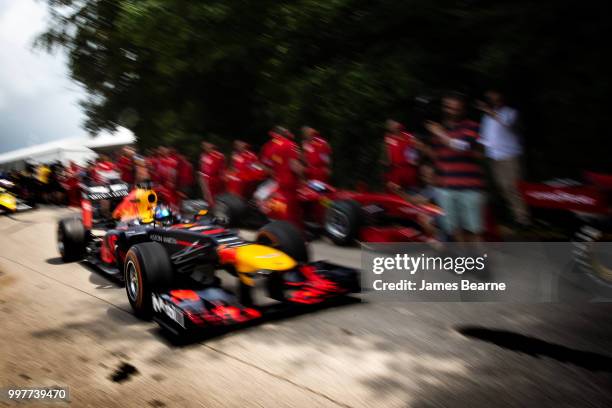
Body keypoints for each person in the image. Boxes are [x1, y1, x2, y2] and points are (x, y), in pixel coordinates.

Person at [419, 92, 486, 242]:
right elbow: (437, 157)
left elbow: (464, 147)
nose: (451, 111)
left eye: (456, 108)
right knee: (455, 231)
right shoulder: (437, 130)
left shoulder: (471, 126)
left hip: (470, 187)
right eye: (448, 107)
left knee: (474, 231)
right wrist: (423, 147)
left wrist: (441, 134)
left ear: (462, 109)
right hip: (446, 188)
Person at [477, 89, 530, 227]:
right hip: (493, 156)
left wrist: (490, 112)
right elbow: (484, 138)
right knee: (502, 188)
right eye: (488, 95)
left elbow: (509, 126)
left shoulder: (510, 112)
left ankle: (523, 218)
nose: (490, 97)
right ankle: (515, 215)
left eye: (493, 94)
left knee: (512, 187)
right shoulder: (486, 117)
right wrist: (481, 152)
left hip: (509, 155)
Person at [260, 126, 304, 228]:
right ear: (285, 133)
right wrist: (303, 178)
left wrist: (276, 175)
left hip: (279, 183)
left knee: (276, 206)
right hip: (291, 184)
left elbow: (266, 167)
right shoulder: (291, 144)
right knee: (291, 212)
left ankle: (274, 227)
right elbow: (295, 166)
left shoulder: (269, 146)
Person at [383, 120, 419, 192]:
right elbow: (388, 157)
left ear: (399, 123)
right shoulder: (388, 138)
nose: (392, 125)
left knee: (412, 191)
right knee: (394, 193)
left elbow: (417, 151)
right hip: (396, 170)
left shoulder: (409, 136)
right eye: (389, 124)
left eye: (394, 122)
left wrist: (416, 161)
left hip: (410, 170)